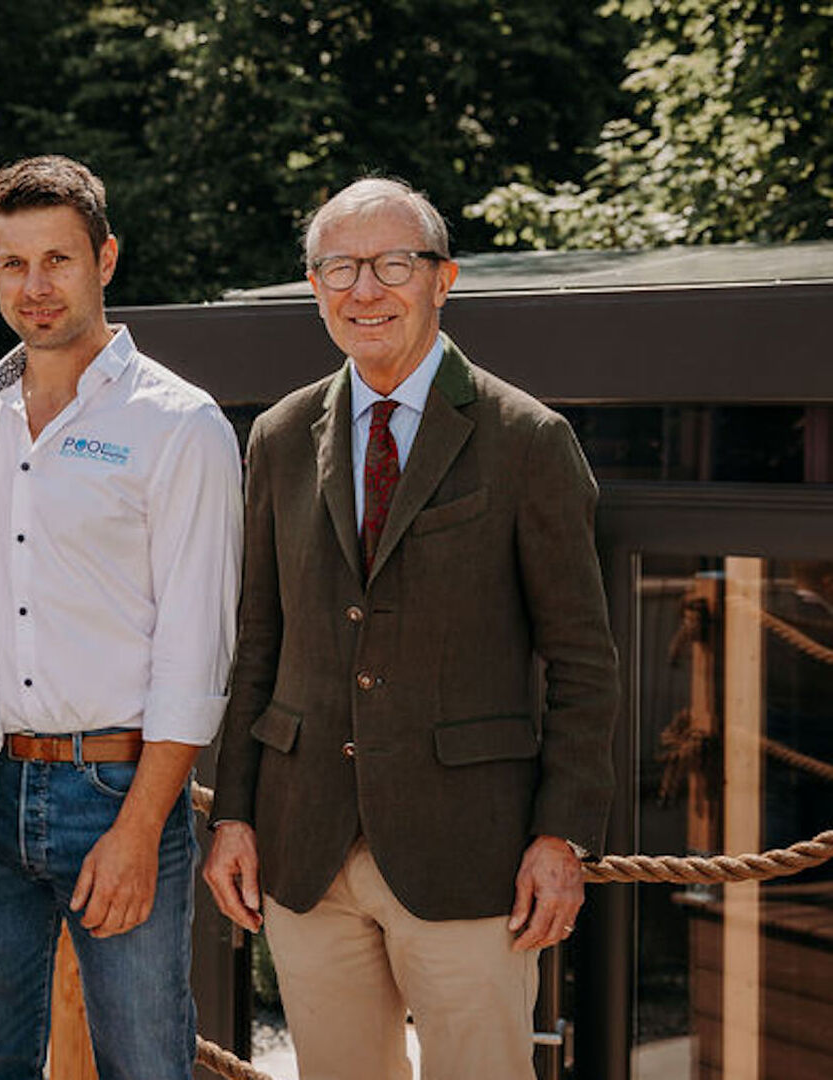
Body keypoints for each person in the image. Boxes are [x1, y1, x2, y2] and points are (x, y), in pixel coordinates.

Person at [202, 176, 619, 1079]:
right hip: (305, 846)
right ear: (312, 286)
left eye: (393, 264)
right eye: (339, 268)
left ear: (443, 279)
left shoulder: (526, 438)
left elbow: (583, 660)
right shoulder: (277, 436)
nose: (364, 289)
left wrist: (562, 839)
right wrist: (232, 812)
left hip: (471, 853)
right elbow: (257, 641)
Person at [0, 155, 243, 1080]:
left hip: (118, 792)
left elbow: (198, 648)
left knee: (146, 1065)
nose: (36, 287)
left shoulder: (179, 424)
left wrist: (143, 828)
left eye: (58, 260)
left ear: (105, 259)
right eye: (13, 264)